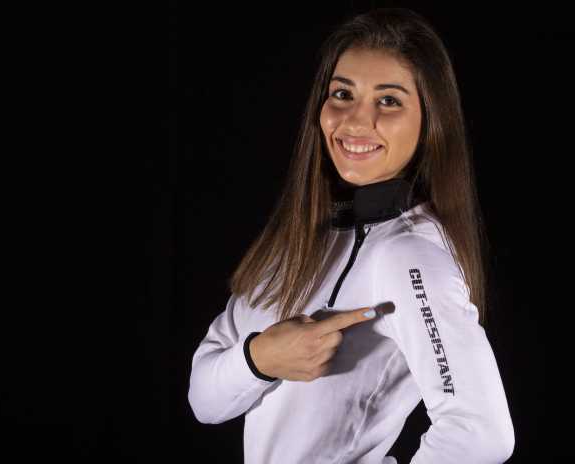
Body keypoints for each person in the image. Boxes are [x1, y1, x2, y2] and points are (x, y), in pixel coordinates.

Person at [188, 7, 515, 464]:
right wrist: (259, 359)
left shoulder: (409, 253)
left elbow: (480, 434)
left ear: (430, 122)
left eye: (389, 101)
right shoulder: (297, 241)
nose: (356, 121)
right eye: (343, 94)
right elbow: (204, 400)